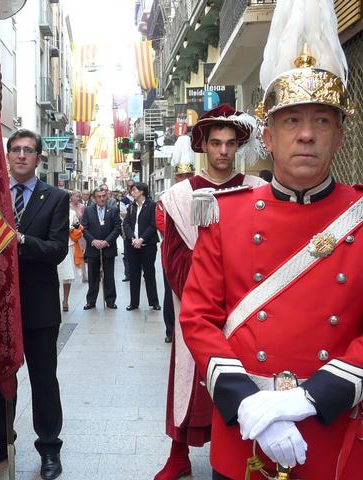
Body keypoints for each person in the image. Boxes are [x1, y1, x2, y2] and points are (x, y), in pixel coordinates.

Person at [180, 2, 363, 478]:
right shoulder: (225, 214)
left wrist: (311, 398)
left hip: (335, 430)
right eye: (291, 121)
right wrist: (247, 404)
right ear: (268, 136)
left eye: (322, 121)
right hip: (247, 430)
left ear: (340, 137)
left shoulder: (359, 216)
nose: (306, 135)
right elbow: (198, 318)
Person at [155, 110, 267, 480]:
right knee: (188, 378)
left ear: (239, 146)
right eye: (216, 143)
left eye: (230, 144)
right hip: (198, 305)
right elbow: (174, 260)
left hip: (249, 302)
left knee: (248, 377)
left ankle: (246, 451)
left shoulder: (256, 189)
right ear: (203, 146)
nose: (223, 151)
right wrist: (208, 294)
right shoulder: (179, 196)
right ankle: (178, 455)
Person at [0, 128, 68, 480]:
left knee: (44, 380)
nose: (22, 155)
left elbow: (57, 250)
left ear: (39, 158)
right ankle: (2, 441)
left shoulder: (55, 198)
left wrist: (21, 239)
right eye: (16, 150)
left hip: (39, 309)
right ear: (7, 155)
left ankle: (49, 448)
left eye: (29, 150)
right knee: (0, 379)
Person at [155, 137, 196, 345]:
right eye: (182, 176)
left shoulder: (200, 196)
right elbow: (161, 223)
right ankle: (171, 329)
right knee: (171, 295)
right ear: (176, 177)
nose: (185, 179)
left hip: (197, 252)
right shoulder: (166, 198)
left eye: (189, 176)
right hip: (172, 253)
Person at [81, 186, 121, 310]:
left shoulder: (113, 210)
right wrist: (93, 241)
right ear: (94, 198)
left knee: (109, 275)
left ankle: (110, 300)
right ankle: (91, 301)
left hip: (108, 248)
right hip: (93, 248)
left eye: (104, 196)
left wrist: (107, 241)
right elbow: (84, 228)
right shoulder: (88, 210)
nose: (102, 199)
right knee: (93, 276)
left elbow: (117, 228)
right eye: (99, 197)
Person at [123, 182, 160, 311]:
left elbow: (153, 225)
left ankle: (154, 302)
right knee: (134, 274)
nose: (132, 192)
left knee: (149, 273)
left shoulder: (152, 205)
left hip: (148, 245)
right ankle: (134, 303)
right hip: (132, 245)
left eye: (134, 190)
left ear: (142, 191)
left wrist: (141, 239)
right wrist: (133, 238)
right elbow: (126, 223)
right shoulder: (131, 206)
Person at [58, 191, 82, 312]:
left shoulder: (72, 213)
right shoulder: (53, 212)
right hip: (55, 246)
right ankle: (55, 299)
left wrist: (73, 228)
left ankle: (65, 300)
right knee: (56, 275)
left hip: (69, 245)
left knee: (67, 276)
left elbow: (78, 227)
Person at [119, 179, 135, 282]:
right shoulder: (124, 200)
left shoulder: (140, 198)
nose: (130, 188)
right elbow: (123, 214)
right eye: (129, 186)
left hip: (139, 229)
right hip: (127, 228)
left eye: (132, 186)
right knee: (127, 253)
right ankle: (128, 274)